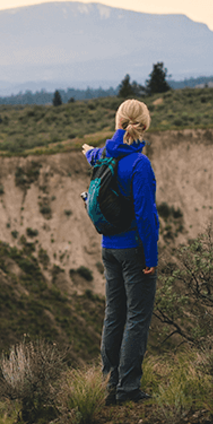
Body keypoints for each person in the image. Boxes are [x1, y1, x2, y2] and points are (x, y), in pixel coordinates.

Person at [82, 99, 159, 404]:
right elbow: (145, 215)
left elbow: (94, 155)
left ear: (118, 123)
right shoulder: (139, 164)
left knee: (114, 315)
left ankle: (108, 384)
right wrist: (150, 257)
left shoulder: (104, 157)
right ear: (144, 125)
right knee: (137, 318)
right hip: (133, 250)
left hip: (108, 248)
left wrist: (88, 151)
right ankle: (129, 388)